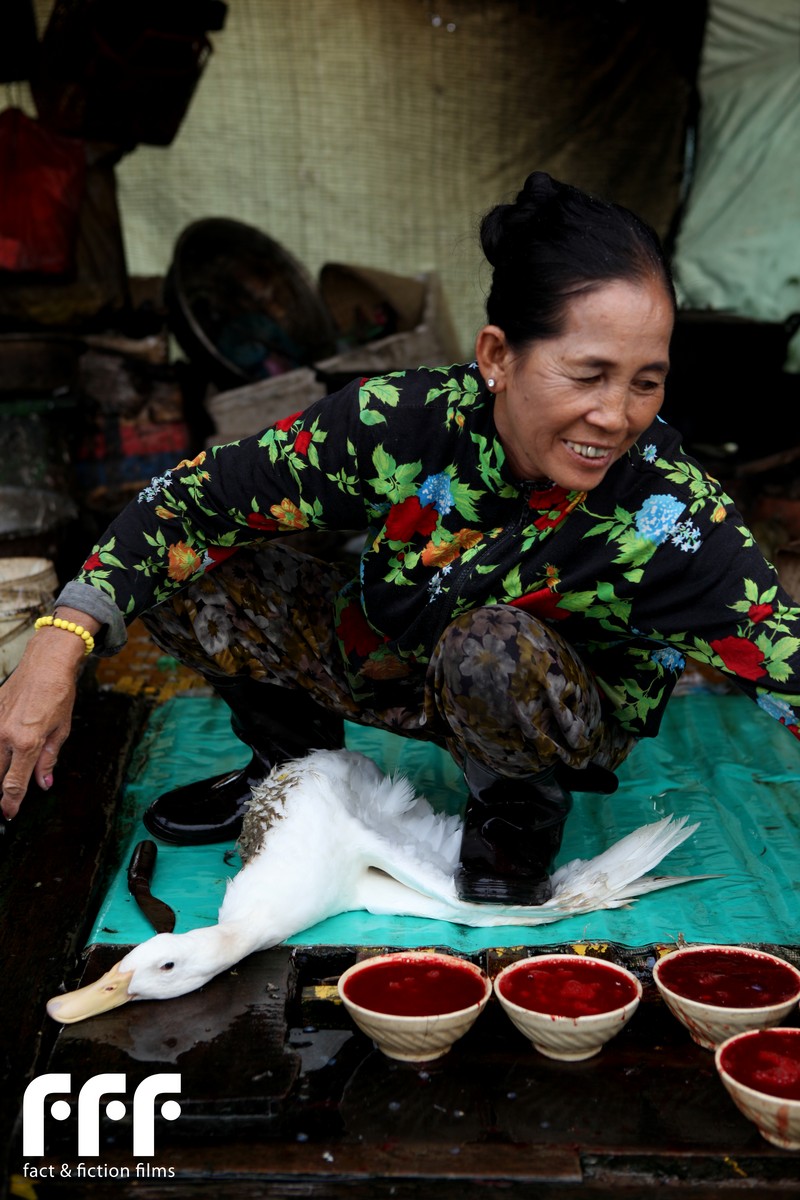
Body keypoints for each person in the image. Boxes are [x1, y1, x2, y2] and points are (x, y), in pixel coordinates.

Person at [2, 171, 800, 907]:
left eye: (646, 382)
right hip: (393, 649)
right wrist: (60, 641)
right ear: (498, 356)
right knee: (191, 566)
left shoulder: (671, 510)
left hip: (543, 700)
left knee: (490, 647)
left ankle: (515, 814)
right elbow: (193, 499)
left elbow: (783, 654)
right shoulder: (401, 423)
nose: (617, 415)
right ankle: (295, 775)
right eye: (588, 375)